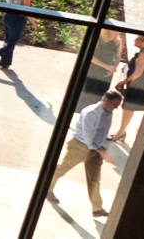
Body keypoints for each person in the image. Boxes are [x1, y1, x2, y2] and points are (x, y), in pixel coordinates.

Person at [47, 89, 122, 217]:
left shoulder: (108, 113)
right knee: (62, 169)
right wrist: (102, 151)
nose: (115, 108)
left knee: (94, 179)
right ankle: (47, 188)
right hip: (80, 146)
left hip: (96, 150)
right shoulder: (91, 112)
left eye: (117, 105)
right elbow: (88, 136)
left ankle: (97, 208)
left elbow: (103, 132)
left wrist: (102, 149)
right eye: (114, 104)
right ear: (106, 101)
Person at [113, 35, 144, 142]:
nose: (134, 40)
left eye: (137, 39)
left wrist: (124, 81)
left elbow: (138, 73)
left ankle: (120, 132)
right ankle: (121, 131)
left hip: (138, 86)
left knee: (128, 107)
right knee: (128, 108)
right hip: (138, 85)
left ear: (143, 42)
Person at [83, 29, 126, 103]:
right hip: (93, 70)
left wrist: (114, 68)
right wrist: (106, 66)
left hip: (106, 73)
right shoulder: (99, 38)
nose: (117, 32)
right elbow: (90, 56)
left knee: (101, 95)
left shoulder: (118, 41)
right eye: (115, 30)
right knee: (88, 94)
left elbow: (118, 57)